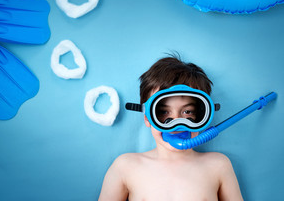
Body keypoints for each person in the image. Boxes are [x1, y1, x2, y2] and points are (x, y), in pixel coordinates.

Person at [98, 55, 243, 201]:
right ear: (147, 117)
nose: (177, 125)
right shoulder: (125, 167)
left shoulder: (218, 166)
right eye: (163, 113)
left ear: (203, 115)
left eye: (187, 112)